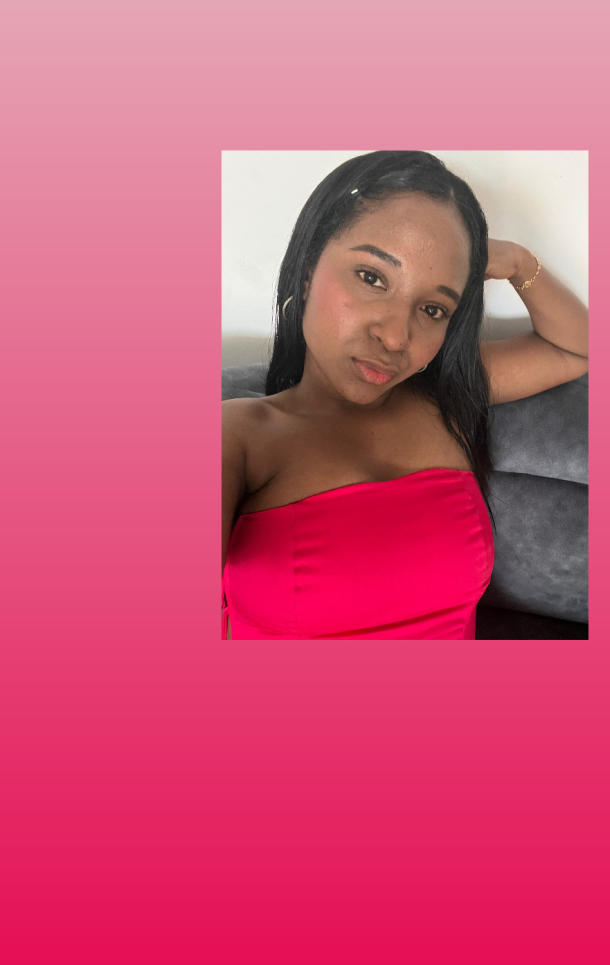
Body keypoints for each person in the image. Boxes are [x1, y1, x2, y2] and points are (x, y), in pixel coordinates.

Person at [222, 150, 588, 639]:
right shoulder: (238, 437)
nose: (396, 338)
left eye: (434, 309)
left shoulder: (443, 400)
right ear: (308, 270)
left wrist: (519, 262)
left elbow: (574, 348)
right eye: (372, 278)